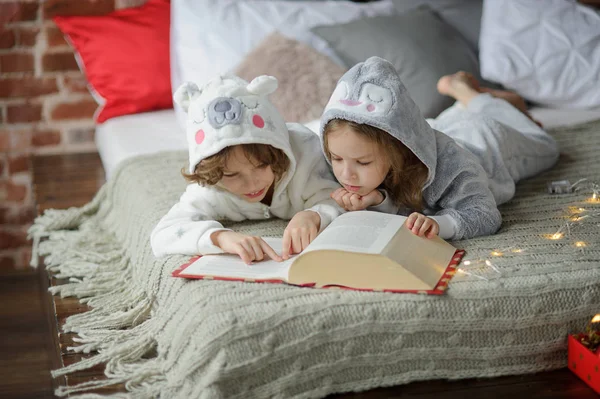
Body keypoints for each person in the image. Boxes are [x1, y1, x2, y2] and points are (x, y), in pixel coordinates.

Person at [320, 57, 559, 240]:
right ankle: (470, 104)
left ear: (398, 148)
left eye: (362, 162)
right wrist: (377, 200)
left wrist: (439, 225)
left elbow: (485, 215)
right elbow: (400, 198)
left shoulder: (454, 166)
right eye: (336, 158)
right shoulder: (352, 148)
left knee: (545, 145)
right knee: (454, 120)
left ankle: (468, 93)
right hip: (439, 128)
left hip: (484, 141)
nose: (345, 174)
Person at [151, 74, 343, 264]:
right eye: (232, 174)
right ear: (212, 173)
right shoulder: (211, 188)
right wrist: (220, 238)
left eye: (261, 165)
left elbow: (342, 198)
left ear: (279, 153)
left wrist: (314, 215)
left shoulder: (306, 154)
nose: (252, 184)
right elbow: (163, 235)